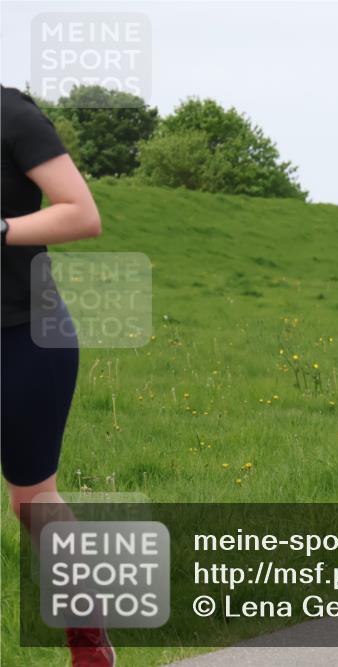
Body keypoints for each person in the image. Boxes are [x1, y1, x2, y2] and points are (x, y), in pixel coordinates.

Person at [1, 85, 112, 665]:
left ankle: (88, 639)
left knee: (32, 500)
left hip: (25, 334)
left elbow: (81, 213)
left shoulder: (10, 113)